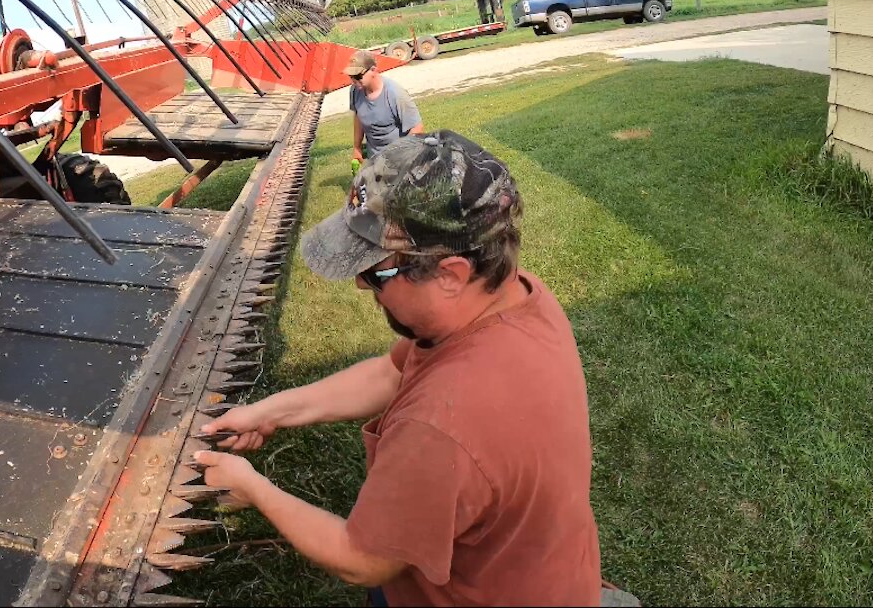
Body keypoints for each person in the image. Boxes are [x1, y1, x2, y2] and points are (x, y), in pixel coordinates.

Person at [195, 131, 601, 606]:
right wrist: (270, 412)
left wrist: (254, 488)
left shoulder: (443, 423)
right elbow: (393, 373)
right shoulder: (516, 296)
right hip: (547, 572)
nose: (363, 287)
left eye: (375, 272)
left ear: (450, 275)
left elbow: (363, 558)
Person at [345, 49, 424, 168]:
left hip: (399, 160)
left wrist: (401, 157)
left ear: (373, 70)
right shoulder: (356, 90)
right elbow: (359, 117)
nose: (354, 81)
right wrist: (357, 147)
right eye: (351, 76)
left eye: (358, 76)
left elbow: (417, 128)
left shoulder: (395, 94)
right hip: (376, 160)